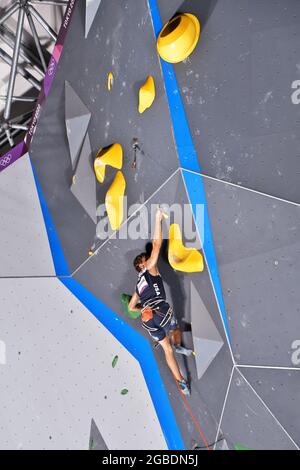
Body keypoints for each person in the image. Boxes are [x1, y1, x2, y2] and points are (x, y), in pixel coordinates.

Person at [128, 208, 192, 395]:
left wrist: (143, 308)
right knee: (172, 321)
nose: (148, 259)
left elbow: (131, 307)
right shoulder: (148, 269)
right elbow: (157, 244)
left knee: (167, 351)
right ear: (142, 265)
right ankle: (177, 341)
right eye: (145, 259)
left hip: (148, 323)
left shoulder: (137, 286)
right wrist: (157, 219)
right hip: (161, 312)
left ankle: (182, 384)